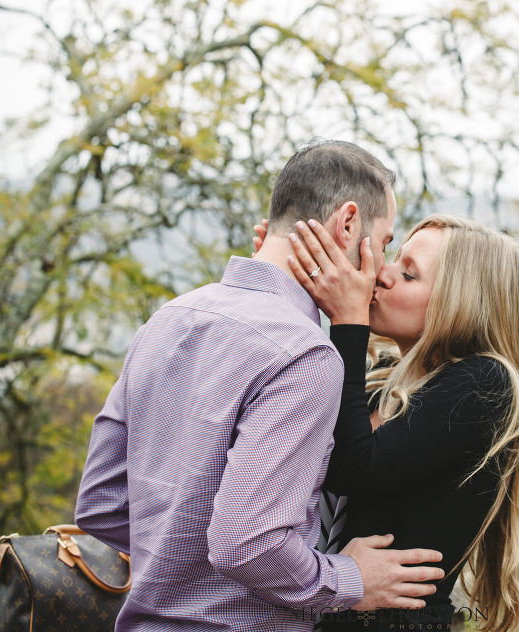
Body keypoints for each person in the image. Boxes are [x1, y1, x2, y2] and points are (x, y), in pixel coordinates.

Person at [74, 140, 446, 632]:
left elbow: (100, 504)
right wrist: (348, 579)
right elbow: (244, 543)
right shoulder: (304, 356)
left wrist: (186, 564)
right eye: (384, 241)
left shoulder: (168, 319)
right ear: (349, 223)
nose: (381, 265)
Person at [278, 214, 519, 632]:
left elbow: (353, 468)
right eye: (394, 260)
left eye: (409, 274)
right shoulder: (381, 387)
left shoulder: (485, 384)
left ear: (461, 303)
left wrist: (349, 320)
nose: (382, 274)